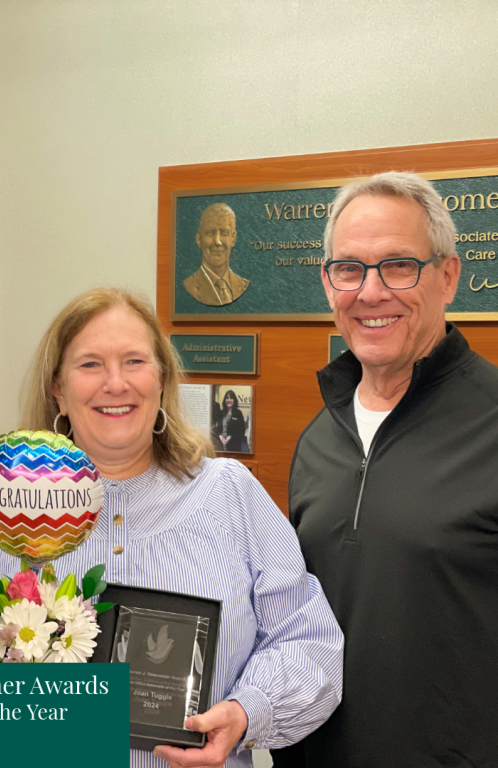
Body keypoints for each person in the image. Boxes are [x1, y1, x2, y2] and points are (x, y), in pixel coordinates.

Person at [0, 288, 342, 768]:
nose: (115, 383)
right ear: (57, 390)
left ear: (162, 379)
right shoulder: (3, 509)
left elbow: (309, 642)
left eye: (134, 361)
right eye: (90, 365)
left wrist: (245, 712)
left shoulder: (230, 494)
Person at [271, 172, 498, 767]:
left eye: (398, 265)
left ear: (447, 276)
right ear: (328, 284)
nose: (371, 293)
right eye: (349, 269)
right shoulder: (319, 440)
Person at [183, 203, 249, 305]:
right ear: (199, 239)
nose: (217, 241)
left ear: (233, 238)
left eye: (224, 233)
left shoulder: (243, 285)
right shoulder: (189, 285)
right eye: (210, 233)